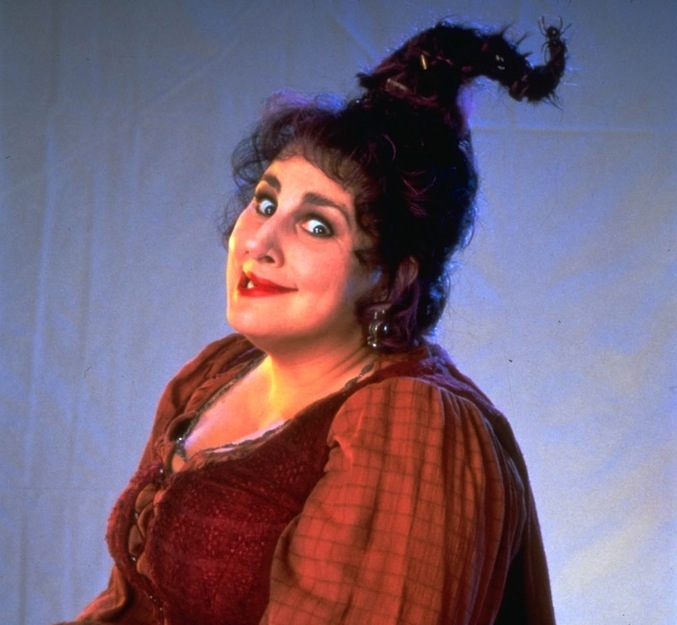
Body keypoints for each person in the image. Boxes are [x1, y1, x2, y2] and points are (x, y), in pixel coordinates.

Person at [58, 18, 567, 625]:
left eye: (317, 225)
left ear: (390, 276)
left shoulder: (413, 426)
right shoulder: (214, 374)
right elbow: (129, 603)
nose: (259, 243)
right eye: (266, 203)